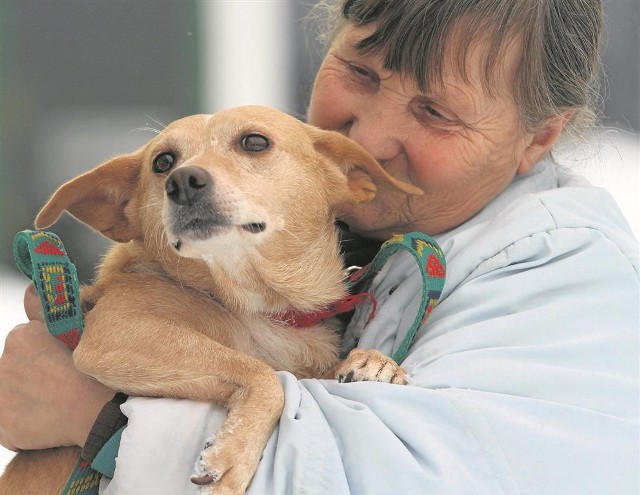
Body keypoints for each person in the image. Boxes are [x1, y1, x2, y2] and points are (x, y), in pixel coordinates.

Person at [1, 0, 638, 493]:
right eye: (358, 71)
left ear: (538, 138)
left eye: (436, 113)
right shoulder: (345, 236)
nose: (375, 136)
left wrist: (101, 418)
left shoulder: (560, 280)